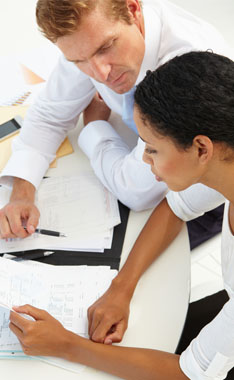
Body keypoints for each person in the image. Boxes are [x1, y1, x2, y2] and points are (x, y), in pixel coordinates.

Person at [9, 51, 234, 379]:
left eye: (153, 149)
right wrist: (121, 288)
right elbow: (176, 207)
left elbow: (190, 374)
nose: (145, 160)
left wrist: (66, 345)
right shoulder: (225, 158)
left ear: (201, 149)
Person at [0, 0, 231, 247]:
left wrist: (94, 128)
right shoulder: (88, 40)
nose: (100, 74)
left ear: (132, 10)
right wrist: (22, 193)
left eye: (105, 48)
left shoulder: (193, 72)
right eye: (78, 61)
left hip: (198, 195)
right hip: (137, 162)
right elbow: (49, 114)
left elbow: (137, 191)